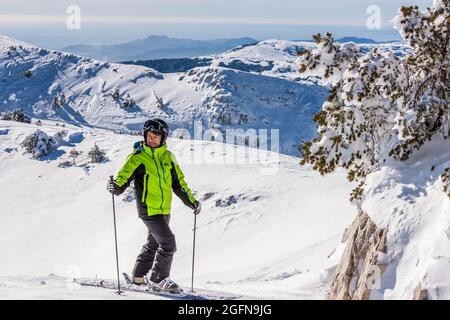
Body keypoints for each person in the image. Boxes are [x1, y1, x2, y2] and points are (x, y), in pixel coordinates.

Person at [107, 118, 201, 292]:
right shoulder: (138, 157)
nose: (152, 139)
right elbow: (123, 177)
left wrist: (191, 202)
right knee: (168, 243)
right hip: (148, 209)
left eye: (156, 136)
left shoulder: (168, 157)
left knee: (154, 243)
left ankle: (138, 276)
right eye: (149, 135)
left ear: (163, 139)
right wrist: (116, 187)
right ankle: (159, 278)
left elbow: (179, 184)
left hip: (164, 209)